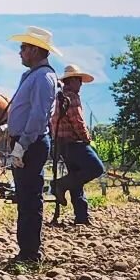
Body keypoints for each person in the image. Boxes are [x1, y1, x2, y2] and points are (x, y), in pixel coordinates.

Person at [5, 26, 60, 263]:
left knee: (30, 198)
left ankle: (30, 254)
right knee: (24, 197)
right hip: (23, 142)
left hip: (32, 144)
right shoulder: (31, 76)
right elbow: (23, 111)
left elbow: (38, 116)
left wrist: (22, 145)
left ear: (36, 50)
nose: (20, 52)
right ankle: (25, 250)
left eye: (24, 48)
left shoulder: (44, 78)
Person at [50, 65, 105, 225]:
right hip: (75, 143)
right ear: (72, 80)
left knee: (76, 178)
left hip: (62, 145)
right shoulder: (72, 98)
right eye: (79, 81)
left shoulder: (58, 98)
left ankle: (82, 216)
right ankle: (59, 185)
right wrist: (87, 139)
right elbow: (78, 122)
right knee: (96, 168)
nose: (81, 84)